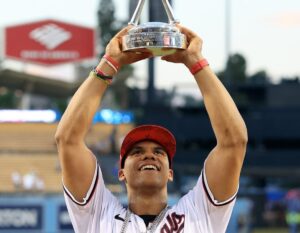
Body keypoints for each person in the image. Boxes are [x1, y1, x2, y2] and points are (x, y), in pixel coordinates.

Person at [55, 25, 248, 233]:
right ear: (121, 173)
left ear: (171, 173)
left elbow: (234, 142)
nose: (149, 156)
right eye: (137, 152)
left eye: (159, 152)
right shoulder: (97, 213)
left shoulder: (199, 212)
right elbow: (67, 140)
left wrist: (196, 62)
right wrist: (109, 62)